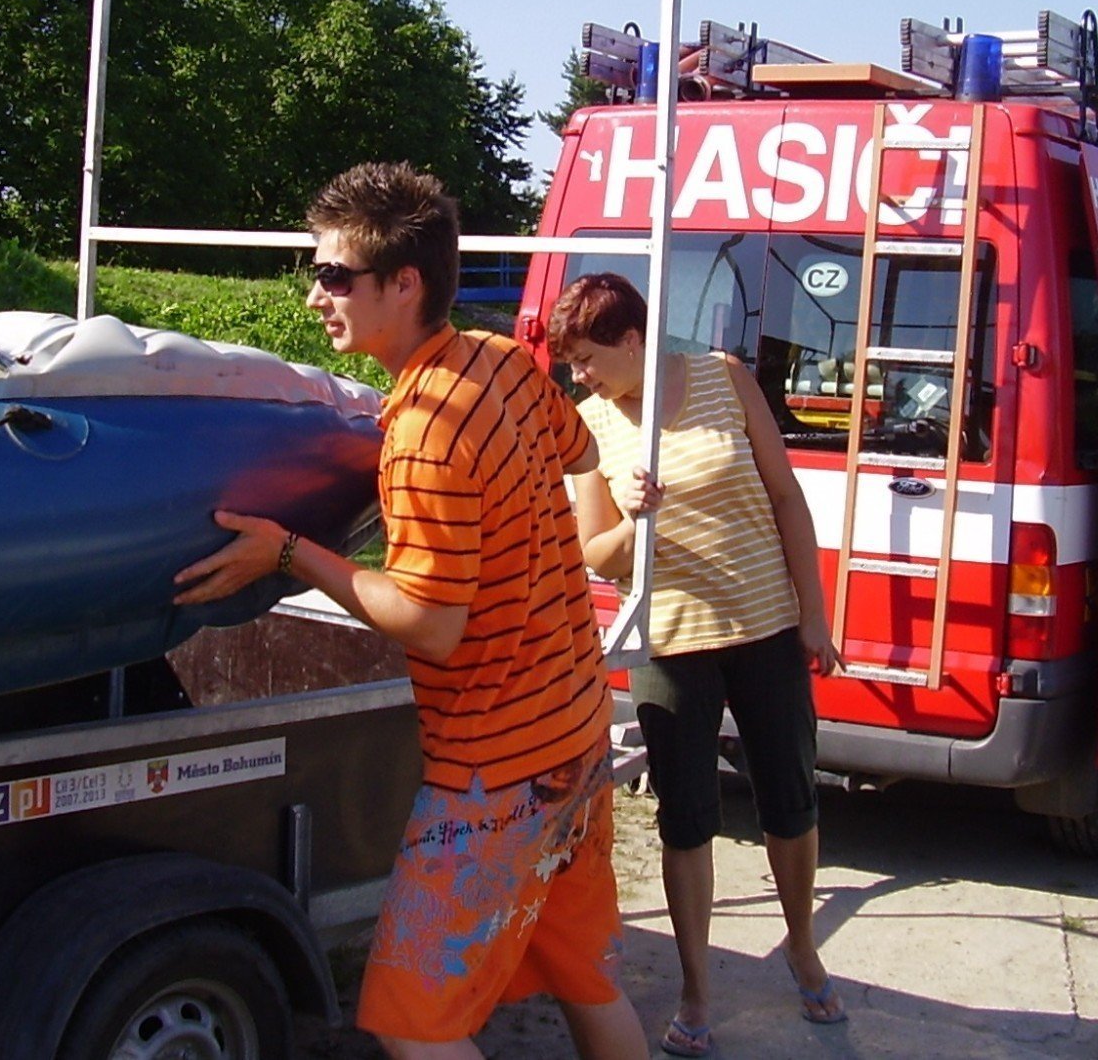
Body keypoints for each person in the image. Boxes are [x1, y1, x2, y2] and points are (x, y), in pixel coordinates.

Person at [173, 163, 644, 1060]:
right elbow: (580, 452)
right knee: (590, 978)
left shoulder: (423, 431)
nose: (316, 295)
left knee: (410, 1027)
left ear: (404, 283)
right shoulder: (502, 360)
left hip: (497, 770)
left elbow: (431, 624)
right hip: (576, 728)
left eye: (334, 275)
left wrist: (289, 553)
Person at [548, 271, 845, 1059]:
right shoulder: (588, 428)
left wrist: (814, 615)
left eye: (587, 358)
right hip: (670, 642)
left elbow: (786, 497)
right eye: (571, 362)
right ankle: (696, 989)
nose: (579, 374)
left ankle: (802, 945)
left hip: (765, 625)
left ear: (632, 340)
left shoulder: (724, 377)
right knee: (686, 819)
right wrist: (634, 519)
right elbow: (595, 555)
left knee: (790, 799)